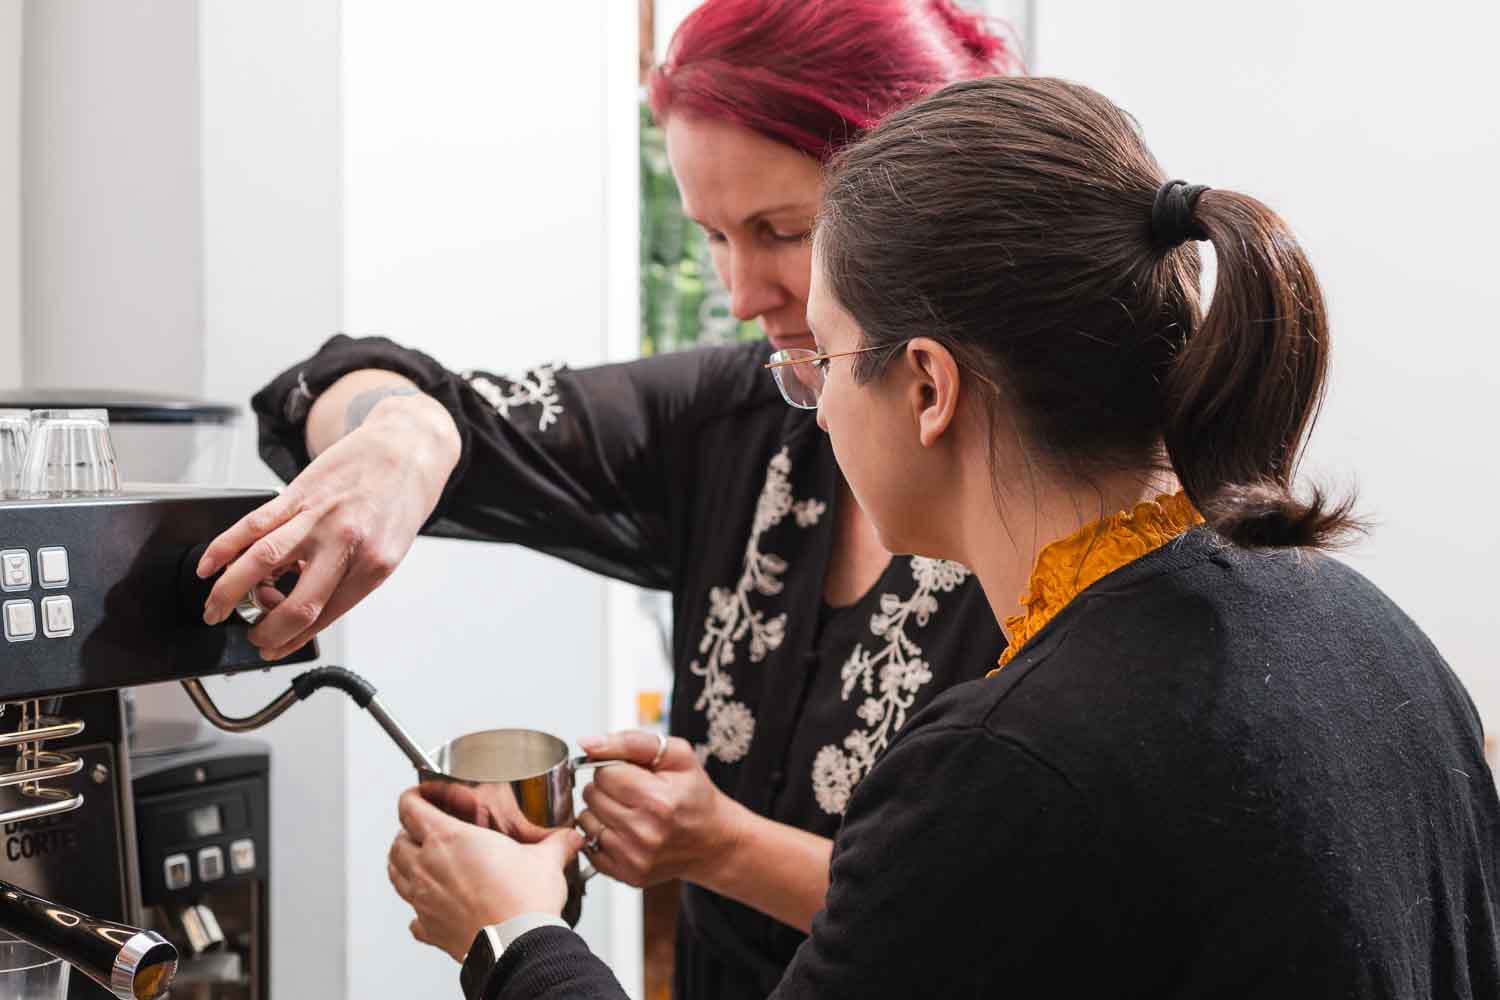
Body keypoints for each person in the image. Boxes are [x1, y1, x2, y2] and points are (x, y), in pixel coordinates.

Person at [387, 75, 1500, 999]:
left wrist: (513, 933)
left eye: (818, 359)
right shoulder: (1372, 634)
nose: (810, 405)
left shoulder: (1001, 767)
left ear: (926, 386)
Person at [194, 2, 1021, 995]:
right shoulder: (733, 416)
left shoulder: (1047, 534)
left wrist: (720, 850)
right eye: (714, 235)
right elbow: (351, 385)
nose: (742, 289)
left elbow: (1007, 928)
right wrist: (407, 441)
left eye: (784, 231)